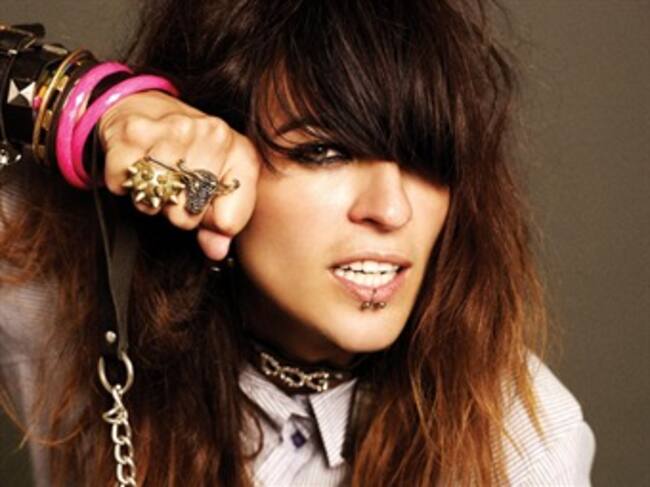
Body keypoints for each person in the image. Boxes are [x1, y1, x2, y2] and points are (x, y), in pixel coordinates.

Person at [0, 0, 596, 485]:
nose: (392, 210)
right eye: (325, 152)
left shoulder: (523, 445)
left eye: (427, 159)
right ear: (217, 147)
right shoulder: (69, 295)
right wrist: (99, 107)